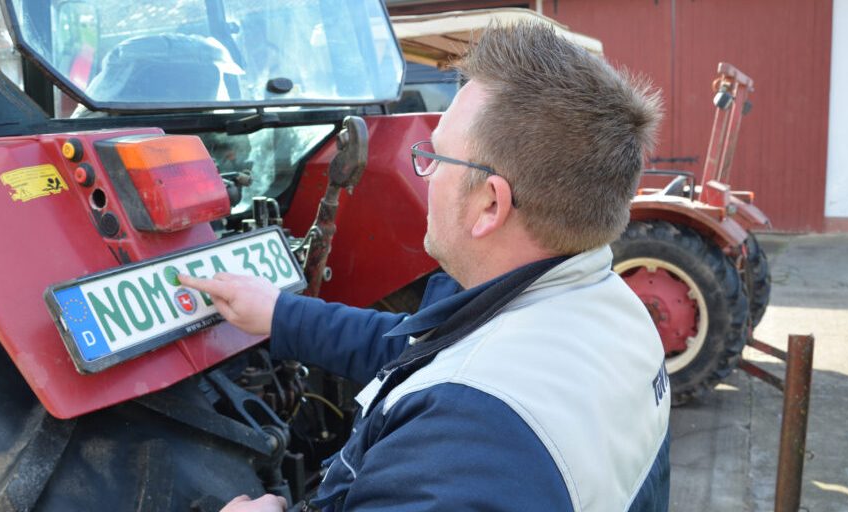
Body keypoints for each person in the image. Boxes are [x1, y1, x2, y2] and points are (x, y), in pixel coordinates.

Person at [184, 21, 669, 512]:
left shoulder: (461, 439)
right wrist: (278, 314)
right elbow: (420, 351)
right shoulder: (610, 311)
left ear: (490, 206)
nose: (426, 174)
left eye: (434, 157)